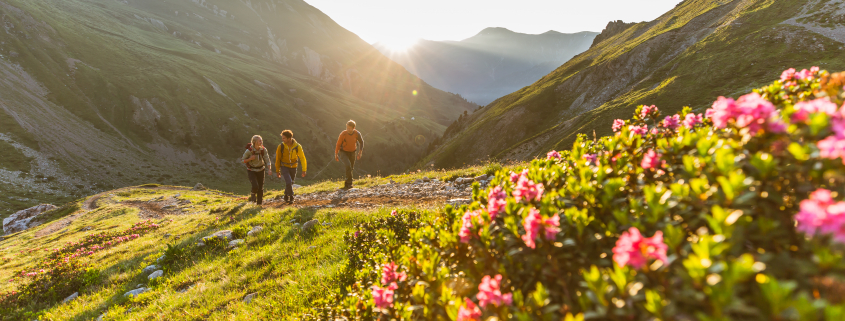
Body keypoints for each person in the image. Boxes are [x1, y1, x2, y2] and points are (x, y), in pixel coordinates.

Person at [275, 130, 307, 204]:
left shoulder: (297, 146)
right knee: (288, 181)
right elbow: (278, 159)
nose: (282, 140)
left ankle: (286, 194)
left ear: (289, 138)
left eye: (284, 138)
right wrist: (277, 170)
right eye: (282, 138)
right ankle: (291, 196)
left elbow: (302, 158)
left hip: (294, 167)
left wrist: (304, 169)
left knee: (291, 182)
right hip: (284, 166)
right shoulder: (281, 146)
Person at [242, 135, 271, 205]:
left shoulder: (263, 149)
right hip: (251, 170)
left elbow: (267, 159)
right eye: (259, 141)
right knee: (255, 186)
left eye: (261, 140)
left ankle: (259, 204)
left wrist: (269, 169)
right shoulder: (249, 151)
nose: (261, 142)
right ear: (254, 142)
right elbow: (243, 160)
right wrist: (250, 159)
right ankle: (253, 194)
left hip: (261, 169)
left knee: (260, 187)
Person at [335, 120, 364, 189]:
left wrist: (360, 152)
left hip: (353, 152)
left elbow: (361, 142)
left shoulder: (357, 134)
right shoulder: (343, 134)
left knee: (351, 168)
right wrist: (336, 154)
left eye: (349, 128)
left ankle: (346, 183)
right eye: (347, 128)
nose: (348, 129)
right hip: (343, 152)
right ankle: (350, 183)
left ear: (353, 128)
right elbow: (338, 144)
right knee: (348, 165)